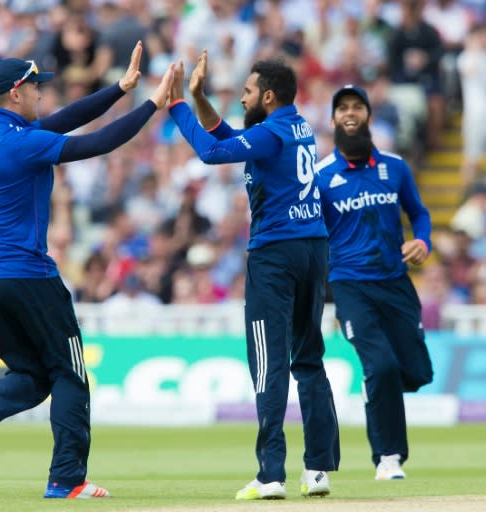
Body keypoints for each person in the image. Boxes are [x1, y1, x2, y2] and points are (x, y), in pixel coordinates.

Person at [0, 42, 175, 499]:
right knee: (71, 373)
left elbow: (58, 122)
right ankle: (67, 479)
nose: (40, 95)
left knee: (34, 373)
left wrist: (120, 88)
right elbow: (100, 142)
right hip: (27, 275)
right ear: (15, 94)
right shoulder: (24, 144)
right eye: (34, 88)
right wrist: (153, 103)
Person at [167, 50, 340, 500]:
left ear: (267, 95)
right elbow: (224, 133)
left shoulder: (271, 133)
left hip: (276, 253)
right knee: (309, 358)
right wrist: (200, 96)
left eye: (245, 93)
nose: (240, 99)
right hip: (312, 248)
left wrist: (176, 107)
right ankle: (318, 469)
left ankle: (271, 475)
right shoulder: (293, 126)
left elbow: (212, 151)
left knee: (268, 362)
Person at [316, 84, 434, 480]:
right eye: (342, 108)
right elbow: (311, 236)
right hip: (351, 286)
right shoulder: (321, 176)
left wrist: (422, 241)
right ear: (333, 120)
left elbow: (419, 213)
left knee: (416, 373)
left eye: (357, 107)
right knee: (380, 366)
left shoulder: (395, 167)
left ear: (368, 116)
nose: (350, 113)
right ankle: (388, 458)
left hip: (396, 283)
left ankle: (376, 388)